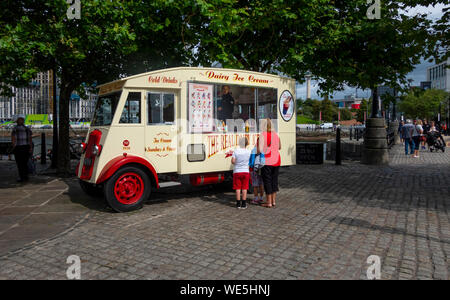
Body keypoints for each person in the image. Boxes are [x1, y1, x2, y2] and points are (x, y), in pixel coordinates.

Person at [259, 118, 281, 208]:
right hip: (277, 160)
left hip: (267, 161)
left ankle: (268, 202)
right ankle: (273, 201)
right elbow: (279, 147)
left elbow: (259, 149)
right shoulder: (276, 135)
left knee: (267, 181)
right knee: (274, 180)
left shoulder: (262, 135)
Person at [11, 115, 32, 182]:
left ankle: (22, 177)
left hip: (18, 147)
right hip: (26, 147)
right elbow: (30, 139)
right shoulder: (27, 128)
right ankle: (26, 176)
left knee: (20, 163)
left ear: (17, 121)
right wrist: (30, 147)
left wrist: (13, 147)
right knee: (25, 163)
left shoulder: (15, 129)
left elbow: (13, 139)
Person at [231, 137, 251, 209]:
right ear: (246, 144)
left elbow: (233, 161)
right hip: (245, 171)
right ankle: (244, 204)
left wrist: (237, 162)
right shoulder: (249, 152)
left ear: (239, 143)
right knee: (244, 188)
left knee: (238, 188)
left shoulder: (236, 151)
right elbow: (250, 161)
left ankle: (238, 203)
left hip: (237, 171)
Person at [249, 138, 265, 205]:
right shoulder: (263, 150)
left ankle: (256, 198)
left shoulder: (254, 150)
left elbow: (252, 162)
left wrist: (250, 166)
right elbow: (263, 161)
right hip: (261, 169)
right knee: (261, 184)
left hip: (254, 170)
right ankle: (261, 198)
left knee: (255, 185)